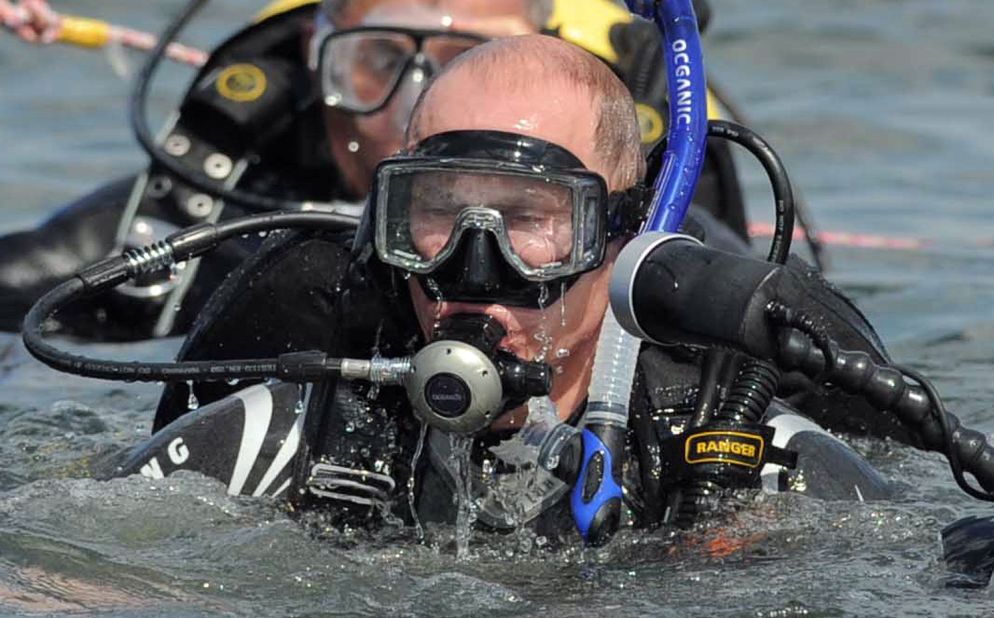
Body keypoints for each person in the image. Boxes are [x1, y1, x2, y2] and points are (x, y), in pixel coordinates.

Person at [117, 36, 893, 542]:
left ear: (621, 237)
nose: (474, 267)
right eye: (437, 213)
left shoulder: (737, 448)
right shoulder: (290, 436)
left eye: (532, 219)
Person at [0, 0, 748, 340]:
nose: (421, 106)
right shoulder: (216, 209)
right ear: (312, 53)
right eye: (380, 63)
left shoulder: (643, 231)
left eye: (469, 62)